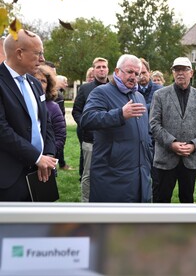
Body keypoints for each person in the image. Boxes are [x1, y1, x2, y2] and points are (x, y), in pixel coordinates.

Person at [80, 54, 152, 202]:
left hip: (139, 173)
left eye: (137, 74)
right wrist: (120, 114)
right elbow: (87, 119)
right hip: (113, 174)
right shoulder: (101, 92)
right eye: (130, 72)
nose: (134, 77)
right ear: (117, 71)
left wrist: (148, 153)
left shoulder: (139, 96)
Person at [0, 29, 57, 201]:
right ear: (19, 53)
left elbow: (45, 123)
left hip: (41, 172)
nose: (42, 59)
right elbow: (2, 130)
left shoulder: (34, 83)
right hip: (9, 178)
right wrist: (36, 157)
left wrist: (48, 155)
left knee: (41, 226)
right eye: (38, 53)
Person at [149, 57, 196, 203]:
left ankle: (184, 226)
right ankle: (160, 227)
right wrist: (172, 143)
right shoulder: (160, 95)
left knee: (187, 201)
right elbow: (154, 124)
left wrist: (194, 144)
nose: (180, 73)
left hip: (190, 159)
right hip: (165, 157)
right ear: (173, 72)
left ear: (192, 73)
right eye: (177, 69)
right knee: (161, 200)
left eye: (184, 69)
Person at [72, 57, 109, 202]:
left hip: (109, 140)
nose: (101, 69)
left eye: (104, 67)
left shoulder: (113, 87)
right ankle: (86, 203)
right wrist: (85, 124)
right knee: (88, 174)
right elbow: (76, 111)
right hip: (90, 140)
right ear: (93, 70)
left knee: (108, 173)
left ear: (108, 69)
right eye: (98, 67)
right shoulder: (85, 89)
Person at [137, 58, 162, 201]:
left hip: (156, 141)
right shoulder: (131, 90)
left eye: (144, 72)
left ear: (150, 73)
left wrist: (142, 109)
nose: (141, 76)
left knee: (157, 178)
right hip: (138, 140)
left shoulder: (160, 91)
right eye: (138, 73)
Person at [34, 65, 66, 164]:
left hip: (46, 160)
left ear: (48, 85)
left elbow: (60, 136)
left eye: (43, 81)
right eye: (36, 79)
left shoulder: (53, 107)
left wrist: (49, 155)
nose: (39, 83)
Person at [54, 74, 71, 170]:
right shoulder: (58, 95)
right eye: (64, 81)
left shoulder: (59, 94)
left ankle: (61, 164)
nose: (66, 84)